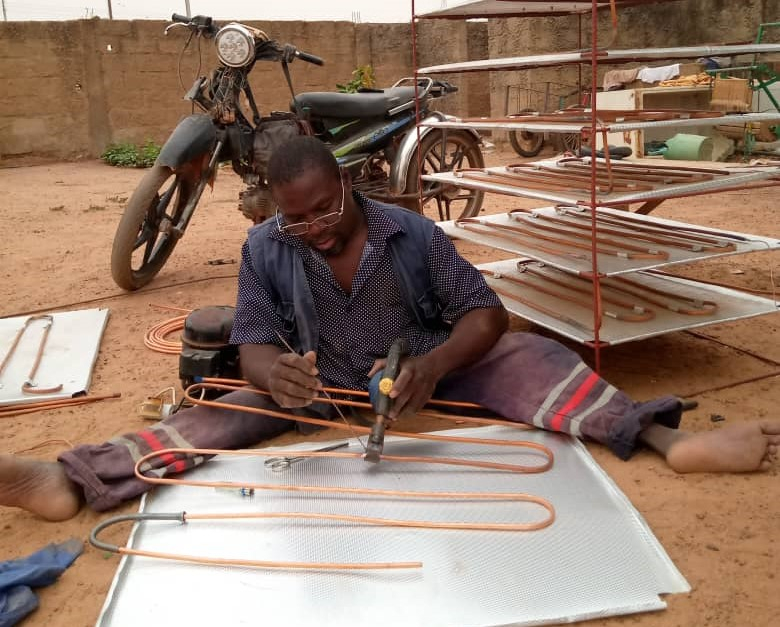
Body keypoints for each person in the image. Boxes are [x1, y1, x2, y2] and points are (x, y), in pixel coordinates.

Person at [1, 136, 778, 522]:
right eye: (293, 218)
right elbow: (256, 337)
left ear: (349, 183)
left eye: (323, 210)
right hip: (319, 383)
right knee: (218, 406)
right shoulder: (266, 246)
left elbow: (485, 311)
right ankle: (74, 480)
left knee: (526, 353)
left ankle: (666, 440)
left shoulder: (414, 235)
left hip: (419, 372)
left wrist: (435, 367)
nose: (310, 228)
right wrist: (275, 375)